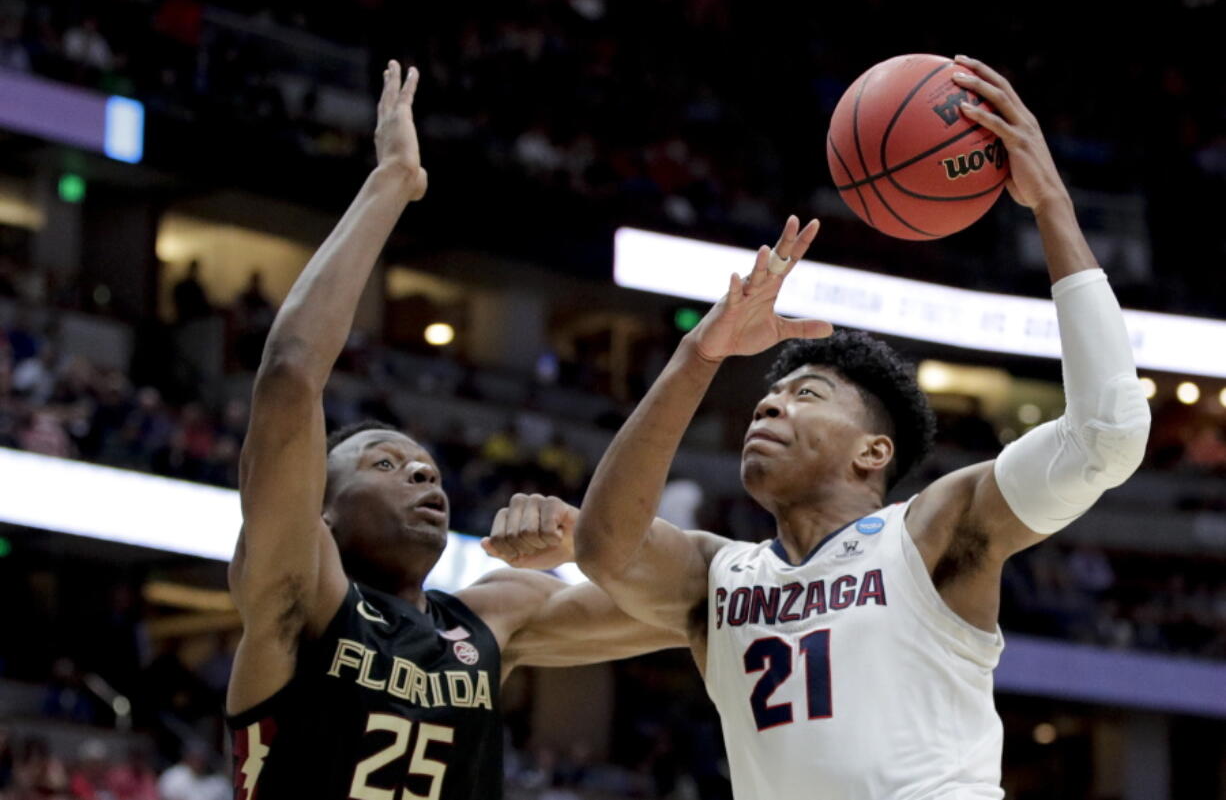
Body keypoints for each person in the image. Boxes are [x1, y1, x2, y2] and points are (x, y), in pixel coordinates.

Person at [573, 55, 1150, 800]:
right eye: (769, 396)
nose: (770, 405)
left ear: (874, 451)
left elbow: (1107, 431)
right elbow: (604, 546)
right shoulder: (720, 577)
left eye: (806, 392)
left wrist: (1052, 208)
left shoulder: (931, 532)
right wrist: (699, 353)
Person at [226, 61, 682, 800]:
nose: (420, 473)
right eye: (383, 463)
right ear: (323, 508)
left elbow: (690, 604)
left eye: (426, 467)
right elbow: (288, 377)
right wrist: (392, 183)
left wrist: (586, 540)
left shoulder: (496, 615)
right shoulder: (297, 591)